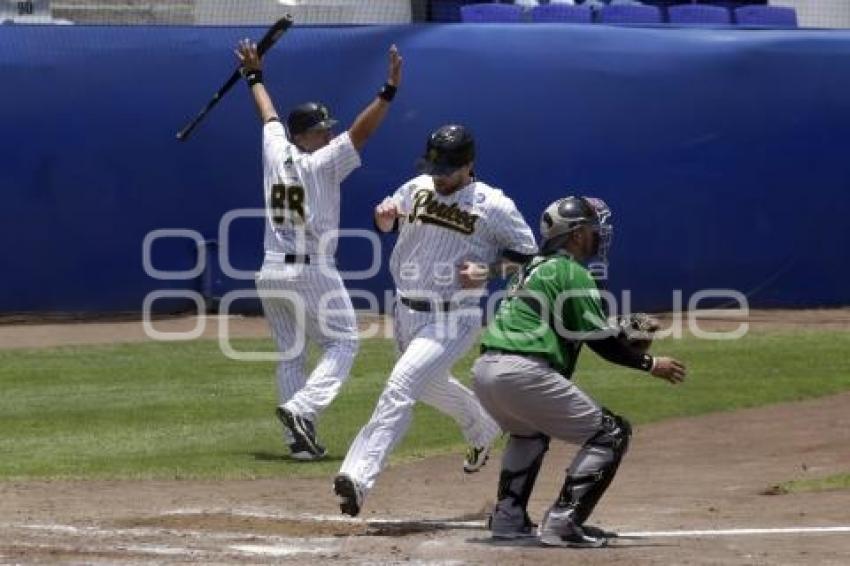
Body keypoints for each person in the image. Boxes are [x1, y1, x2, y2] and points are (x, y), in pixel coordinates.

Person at [333, 124, 538, 516]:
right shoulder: (418, 186)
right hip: (406, 311)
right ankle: (482, 426)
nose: (439, 175)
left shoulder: (493, 204)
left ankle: (357, 477)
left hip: (453, 317)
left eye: (447, 168)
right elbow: (386, 221)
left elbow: (530, 256)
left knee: (400, 386)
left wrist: (491, 271)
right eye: (434, 165)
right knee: (427, 386)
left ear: (469, 165)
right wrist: (385, 216)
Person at [471, 195, 687, 547]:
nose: (598, 236)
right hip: (523, 372)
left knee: (529, 434)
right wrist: (650, 363)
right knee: (611, 433)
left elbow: (571, 327)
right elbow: (599, 342)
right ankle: (562, 523)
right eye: (592, 230)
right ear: (574, 235)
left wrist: (618, 331)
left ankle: (508, 519)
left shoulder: (532, 269)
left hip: (484, 371)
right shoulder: (573, 271)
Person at [234, 39, 403, 461]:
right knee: (344, 342)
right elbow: (360, 134)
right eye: (322, 129)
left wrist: (254, 77)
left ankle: (299, 442)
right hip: (310, 270)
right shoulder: (321, 162)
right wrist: (387, 92)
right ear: (305, 135)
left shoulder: (277, 149)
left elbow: (267, 113)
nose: (329, 133)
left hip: (271, 269)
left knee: (291, 353)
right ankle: (301, 409)